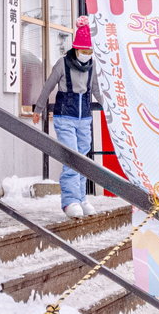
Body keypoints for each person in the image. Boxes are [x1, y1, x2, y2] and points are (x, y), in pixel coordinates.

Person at [31, 18, 102, 218]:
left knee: (83, 159)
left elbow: (96, 89)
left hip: (84, 118)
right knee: (72, 158)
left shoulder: (92, 67)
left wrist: (110, 110)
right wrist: (39, 108)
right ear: (76, 48)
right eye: (84, 51)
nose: (87, 55)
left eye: (90, 52)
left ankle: (81, 198)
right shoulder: (62, 64)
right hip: (65, 117)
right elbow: (48, 86)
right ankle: (69, 201)